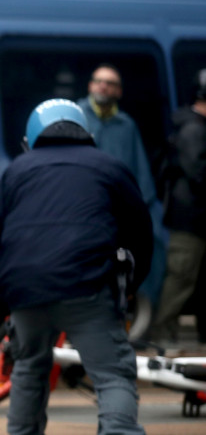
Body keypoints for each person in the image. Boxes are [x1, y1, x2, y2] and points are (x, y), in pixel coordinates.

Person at [0, 98, 152, 435]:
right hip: (87, 287)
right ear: (85, 132)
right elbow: (141, 234)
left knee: (29, 368)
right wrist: (128, 287)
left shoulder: (16, 171)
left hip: (25, 291)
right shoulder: (108, 167)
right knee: (112, 373)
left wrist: (10, 287)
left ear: (31, 140)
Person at [77, 64, 167, 318]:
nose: (103, 86)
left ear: (119, 91)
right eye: (98, 81)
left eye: (110, 83)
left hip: (115, 212)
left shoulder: (126, 125)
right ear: (90, 86)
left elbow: (140, 175)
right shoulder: (77, 117)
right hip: (83, 207)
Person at [150, 69, 206, 349]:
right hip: (191, 220)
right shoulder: (194, 129)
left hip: (197, 219)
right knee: (181, 278)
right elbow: (199, 173)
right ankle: (164, 335)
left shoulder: (192, 126)